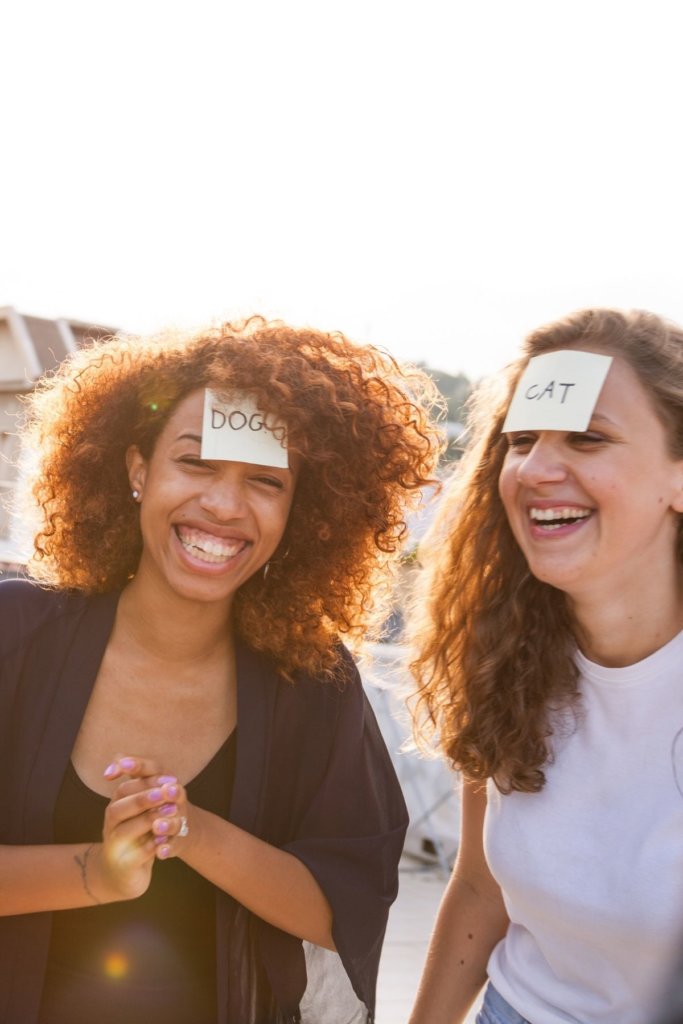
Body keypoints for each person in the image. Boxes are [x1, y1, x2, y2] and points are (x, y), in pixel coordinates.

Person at [0, 316, 443, 1024]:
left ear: (300, 508)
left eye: (265, 481)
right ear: (137, 468)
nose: (224, 506)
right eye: (197, 463)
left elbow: (343, 908)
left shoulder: (313, 682)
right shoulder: (14, 633)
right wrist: (98, 872)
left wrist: (193, 831)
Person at [406, 308, 683, 1024]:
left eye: (588, 439)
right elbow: (477, 888)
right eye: (519, 441)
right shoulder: (503, 655)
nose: (534, 470)